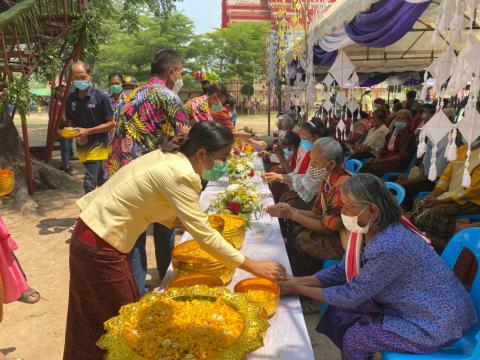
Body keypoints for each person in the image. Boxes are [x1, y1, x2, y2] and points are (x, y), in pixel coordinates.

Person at [63, 121, 286, 360]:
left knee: (90, 317)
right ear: (201, 153)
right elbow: (205, 236)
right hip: (101, 245)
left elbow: (152, 202)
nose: (223, 164)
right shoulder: (181, 174)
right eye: (221, 158)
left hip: (89, 236)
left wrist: (179, 221)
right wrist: (252, 265)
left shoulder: (167, 156)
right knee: (126, 324)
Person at [279, 174, 477, 360]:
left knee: (356, 337)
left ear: (372, 210)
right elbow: (342, 270)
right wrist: (296, 281)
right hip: (421, 304)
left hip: (436, 323)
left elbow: (350, 295)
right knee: (342, 311)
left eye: (348, 207)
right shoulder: (367, 230)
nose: (343, 212)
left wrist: (297, 288)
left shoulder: (390, 245)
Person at [106, 49, 190, 295]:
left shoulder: (128, 96)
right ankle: (167, 280)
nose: (180, 77)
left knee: (135, 236)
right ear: (171, 72)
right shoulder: (167, 96)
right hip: (149, 178)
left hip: (121, 176)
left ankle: (139, 290)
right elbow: (186, 136)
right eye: (181, 73)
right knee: (165, 226)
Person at [266, 137, 350, 276]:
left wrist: (292, 214)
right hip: (331, 228)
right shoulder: (326, 178)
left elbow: (327, 228)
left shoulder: (341, 186)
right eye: (310, 159)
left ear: (330, 165)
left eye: (315, 163)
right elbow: (317, 213)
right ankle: (295, 274)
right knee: (297, 231)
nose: (310, 166)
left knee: (301, 240)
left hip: (343, 238)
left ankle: (304, 281)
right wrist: (290, 210)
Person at [412, 140, 480, 252]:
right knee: (420, 202)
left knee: (437, 210)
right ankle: (418, 238)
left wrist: (439, 201)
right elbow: (445, 178)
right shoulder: (460, 150)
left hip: (471, 201)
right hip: (451, 195)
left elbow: (472, 191)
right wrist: (432, 196)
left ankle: (441, 247)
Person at [65, 61, 115, 193]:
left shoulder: (101, 97)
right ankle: (111, 198)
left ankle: (86, 212)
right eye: (76, 78)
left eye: (83, 77)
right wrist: (69, 130)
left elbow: (111, 123)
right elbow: (71, 121)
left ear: (89, 77)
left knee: (89, 180)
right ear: (72, 79)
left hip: (99, 144)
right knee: (99, 178)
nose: (80, 80)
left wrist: (88, 131)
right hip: (82, 145)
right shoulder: (70, 99)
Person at [397, 108, 454, 210]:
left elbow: (434, 175)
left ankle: (407, 214)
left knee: (405, 187)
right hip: (426, 178)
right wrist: (409, 179)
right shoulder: (432, 140)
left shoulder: (446, 144)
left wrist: (409, 182)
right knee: (400, 182)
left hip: (435, 183)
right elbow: (424, 168)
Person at [263, 119, 327, 203]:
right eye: (301, 139)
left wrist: (282, 177)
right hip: (301, 184)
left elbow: (309, 183)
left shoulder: (318, 154)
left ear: (316, 138)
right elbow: (298, 173)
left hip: (312, 195)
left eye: (305, 139)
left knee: (287, 198)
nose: (302, 142)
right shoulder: (305, 148)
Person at [362, 109, 415, 176]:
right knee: (367, 163)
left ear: (409, 122)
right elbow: (384, 150)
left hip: (398, 165)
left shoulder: (409, 135)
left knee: (373, 168)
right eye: (397, 118)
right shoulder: (392, 134)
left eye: (402, 119)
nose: (399, 121)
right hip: (386, 161)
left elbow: (400, 157)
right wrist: (376, 159)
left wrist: (379, 161)